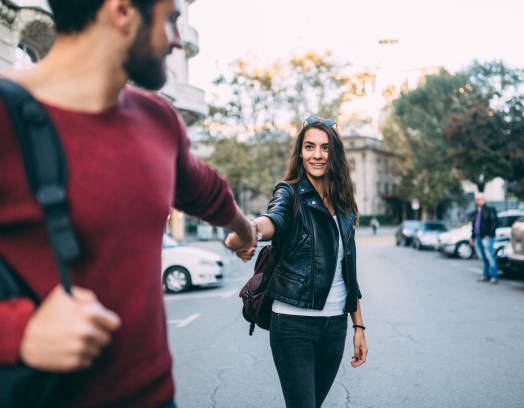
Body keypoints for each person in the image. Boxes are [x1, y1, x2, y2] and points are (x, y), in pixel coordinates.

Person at [0, 1, 256, 407]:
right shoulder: (5, 114)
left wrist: (245, 230)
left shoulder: (157, 117)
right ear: (122, 12)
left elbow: (202, 188)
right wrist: (18, 332)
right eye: (171, 19)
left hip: (156, 396)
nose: (176, 40)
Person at [225, 117, 368, 408]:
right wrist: (249, 231)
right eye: (309, 147)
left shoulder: (344, 205)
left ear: (335, 154)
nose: (317, 154)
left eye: (325, 147)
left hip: (335, 326)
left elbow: (348, 271)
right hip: (293, 325)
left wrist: (359, 327)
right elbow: (272, 220)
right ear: (300, 153)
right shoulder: (289, 193)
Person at [469, 193, 499, 284]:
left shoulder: (490, 210)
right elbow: (474, 226)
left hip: (487, 237)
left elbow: (494, 222)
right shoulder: (476, 212)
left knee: (490, 256)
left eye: (480, 199)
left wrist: (489, 234)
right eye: (477, 199)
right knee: (483, 258)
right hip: (478, 237)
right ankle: (485, 275)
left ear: (484, 200)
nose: (479, 201)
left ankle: (494, 276)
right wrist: (472, 237)